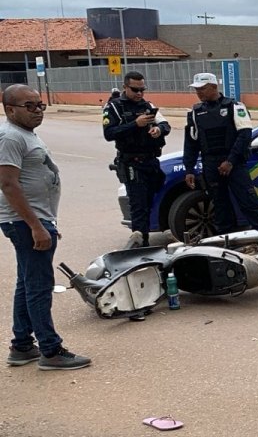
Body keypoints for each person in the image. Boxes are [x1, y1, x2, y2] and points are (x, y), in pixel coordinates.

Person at [0, 85, 91, 370]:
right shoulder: (10, 137)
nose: (38, 111)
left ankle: (22, 346)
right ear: (9, 109)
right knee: (39, 287)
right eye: (30, 106)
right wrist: (36, 226)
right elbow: (7, 184)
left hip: (33, 221)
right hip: (24, 222)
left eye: (40, 105)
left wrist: (45, 223)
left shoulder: (24, 134)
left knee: (26, 283)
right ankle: (50, 351)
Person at [181, 72, 258, 235]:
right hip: (210, 164)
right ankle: (226, 239)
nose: (199, 92)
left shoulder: (234, 106)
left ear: (214, 87)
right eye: (196, 89)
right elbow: (191, 143)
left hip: (234, 163)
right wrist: (189, 169)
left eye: (203, 88)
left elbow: (245, 135)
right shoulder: (195, 112)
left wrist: (230, 161)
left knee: (247, 201)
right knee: (220, 205)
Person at [103, 71, 170, 248]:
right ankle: (141, 247)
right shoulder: (115, 107)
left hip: (151, 162)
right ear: (125, 87)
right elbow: (109, 134)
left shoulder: (147, 105)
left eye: (142, 89)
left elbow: (165, 124)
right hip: (132, 163)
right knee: (139, 207)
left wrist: (158, 130)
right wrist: (135, 124)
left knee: (148, 204)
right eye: (135, 89)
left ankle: (142, 239)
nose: (139, 93)